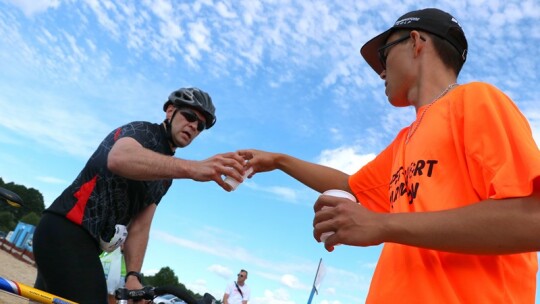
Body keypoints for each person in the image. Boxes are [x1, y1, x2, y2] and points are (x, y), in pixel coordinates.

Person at [239, 8, 540, 304]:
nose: (381, 71)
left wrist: (382, 226)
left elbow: (533, 219)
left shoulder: (475, 101)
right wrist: (279, 161)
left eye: (384, 55)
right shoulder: (404, 141)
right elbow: (353, 188)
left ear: (415, 42)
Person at [32, 87, 248, 303]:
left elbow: (140, 227)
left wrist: (133, 275)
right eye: (189, 116)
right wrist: (193, 168)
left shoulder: (166, 175)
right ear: (170, 111)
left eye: (200, 126)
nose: (194, 126)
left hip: (87, 244)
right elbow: (119, 158)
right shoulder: (143, 131)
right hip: (65, 228)